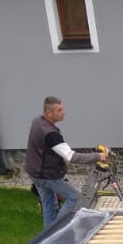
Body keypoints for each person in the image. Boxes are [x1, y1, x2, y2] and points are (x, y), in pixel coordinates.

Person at [24, 97, 103, 229]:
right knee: (75, 198)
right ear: (49, 113)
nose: (63, 113)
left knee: (49, 205)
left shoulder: (37, 121)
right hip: (47, 176)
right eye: (59, 110)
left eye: (62, 109)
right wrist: (98, 156)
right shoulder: (50, 134)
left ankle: (49, 235)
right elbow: (71, 156)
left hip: (34, 173)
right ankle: (58, 228)